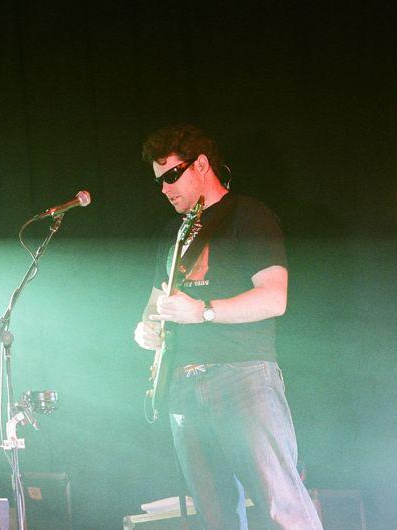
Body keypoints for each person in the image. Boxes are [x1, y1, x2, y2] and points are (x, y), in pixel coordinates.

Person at [133, 124, 322, 529]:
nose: (165, 189)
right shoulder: (173, 234)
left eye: (171, 175)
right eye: (159, 181)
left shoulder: (248, 215)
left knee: (282, 505)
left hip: (242, 376)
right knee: (216, 516)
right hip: (182, 386)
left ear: (201, 164)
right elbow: (154, 305)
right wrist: (145, 329)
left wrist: (202, 311)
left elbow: (274, 297)